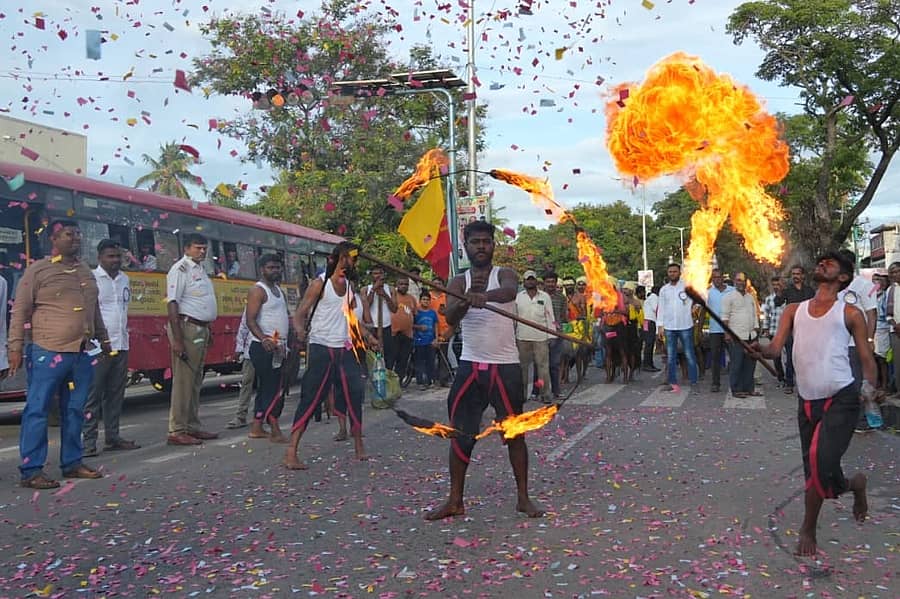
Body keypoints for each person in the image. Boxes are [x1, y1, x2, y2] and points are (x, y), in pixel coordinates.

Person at [753, 251, 879, 556]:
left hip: (842, 399)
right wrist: (759, 349)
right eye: (820, 261)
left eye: (830, 263)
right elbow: (774, 349)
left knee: (819, 464)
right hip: (807, 401)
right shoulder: (794, 310)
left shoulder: (849, 314)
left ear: (843, 278)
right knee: (818, 471)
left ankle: (808, 528)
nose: (821, 263)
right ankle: (854, 485)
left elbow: (865, 358)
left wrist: (869, 389)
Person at [425, 221, 544, 521]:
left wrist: (484, 297)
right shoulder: (458, 281)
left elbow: (508, 292)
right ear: (465, 246)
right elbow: (451, 315)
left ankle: (523, 498)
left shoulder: (503, 274)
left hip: (505, 367)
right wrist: (466, 302)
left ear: (493, 245)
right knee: (460, 434)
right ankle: (455, 500)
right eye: (475, 242)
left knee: (514, 433)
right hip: (470, 366)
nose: (481, 246)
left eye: (486, 241)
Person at [8, 220, 109, 489]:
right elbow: (19, 311)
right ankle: (31, 470)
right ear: (54, 239)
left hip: (81, 352)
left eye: (78, 234)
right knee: (38, 410)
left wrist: (104, 337)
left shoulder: (85, 271)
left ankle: (72, 463)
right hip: (46, 351)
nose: (75, 238)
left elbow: (93, 309)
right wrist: (15, 347)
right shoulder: (38, 271)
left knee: (76, 410)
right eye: (69, 234)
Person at [284, 242, 377, 469]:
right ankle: (291, 453)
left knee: (355, 397)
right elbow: (299, 314)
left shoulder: (350, 288)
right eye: (344, 258)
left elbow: (352, 320)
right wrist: (299, 330)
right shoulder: (319, 284)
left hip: (345, 349)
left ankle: (358, 446)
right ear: (335, 260)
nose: (348, 263)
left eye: (352, 259)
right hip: (321, 348)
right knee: (310, 399)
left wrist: (367, 336)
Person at [83, 239, 140, 456]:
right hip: (98, 347)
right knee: (93, 396)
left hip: (121, 343)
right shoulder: (92, 279)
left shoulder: (125, 279)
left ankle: (113, 437)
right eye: (110, 256)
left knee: (115, 394)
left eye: (118, 256)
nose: (115, 260)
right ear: (100, 258)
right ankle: (88, 443)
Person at [165, 233, 219, 446]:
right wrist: (178, 340)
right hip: (186, 328)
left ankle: (192, 426)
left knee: (196, 381)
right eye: (198, 248)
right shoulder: (180, 269)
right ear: (186, 249)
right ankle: (177, 429)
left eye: (204, 248)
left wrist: (209, 329)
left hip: (201, 328)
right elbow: (172, 304)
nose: (202, 252)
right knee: (183, 382)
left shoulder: (201, 270)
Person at [245, 254, 290, 443]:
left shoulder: (279, 290)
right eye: (271, 268)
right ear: (262, 269)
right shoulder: (258, 290)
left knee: (268, 388)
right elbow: (251, 320)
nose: (275, 271)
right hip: (264, 348)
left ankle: (257, 425)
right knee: (273, 389)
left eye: (278, 267)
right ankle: (275, 429)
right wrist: (264, 339)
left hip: (279, 347)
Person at [836, 250, 879, 433]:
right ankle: (847, 418)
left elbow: (872, 313)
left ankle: (861, 420)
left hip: (857, 344)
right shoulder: (836, 285)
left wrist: (869, 339)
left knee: (858, 383)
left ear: (852, 265)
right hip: (839, 344)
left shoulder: (864, 285)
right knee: (842, 382)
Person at [657, 263, 699, 393]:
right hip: (670, 327)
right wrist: (660, 326)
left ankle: (693, 380)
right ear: (667, 273)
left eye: (674, 271)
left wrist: (696, 307)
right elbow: (661, 308)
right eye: (670, 272)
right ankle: (672, 382)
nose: (672, 274)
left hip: (685, 325)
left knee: (689, 354)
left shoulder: (687, 286)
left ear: (679, 273)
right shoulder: (664, 290)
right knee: (671, 356)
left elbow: (700, 297)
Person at [515, 270, 555, 403]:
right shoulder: (518, 297)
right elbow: (514, 318)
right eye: (528, 279)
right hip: (522, 337)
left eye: (532, 279)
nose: (530, 281)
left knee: (543, 368)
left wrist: (551, 335)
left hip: (541, 337)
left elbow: (550, 316)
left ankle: (545, 394)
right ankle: (522, 395)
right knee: (522, 369)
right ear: (524, 282)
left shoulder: (544, 297)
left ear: (536, 281)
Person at [721, 272, 759, 398]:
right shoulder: (729, 297)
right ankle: (736, 389)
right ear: (734, 281)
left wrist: (756, 331)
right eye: (738, 280)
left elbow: (754, 315)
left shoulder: (750, 297)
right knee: (737, 364)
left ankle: (749, 388)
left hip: (750, 336)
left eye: (742, 280)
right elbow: (725, 317)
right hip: (735, 336)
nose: (740, 283)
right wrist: (727, 334)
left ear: (746, 282)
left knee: (750, 364)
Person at [781, 264, 815, 395]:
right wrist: (780, 291)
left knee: (807, 356)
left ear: (803, 276)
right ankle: (789, 383)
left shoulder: (809, 291)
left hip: (807, 328)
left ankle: (807, 382)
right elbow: (778, 301)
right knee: (790, 356)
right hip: (791, 328)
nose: (795, 276)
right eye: (793, 274)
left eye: (797, 274)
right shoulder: (788, 290)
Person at [704, 269, 734, 393]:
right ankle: (715, 383)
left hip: (731, 329)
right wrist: (700, 328)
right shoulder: (708, 293)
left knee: (734, 356)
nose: (717, 279)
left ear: (723, 278)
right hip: (715, 330)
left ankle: (735, 382)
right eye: (714, 277)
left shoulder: (732, 291)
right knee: (715, 358)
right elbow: (703, 311)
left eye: (719, 277)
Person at [226, 309, 255, 429]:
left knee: (267, 384)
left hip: (270, 348)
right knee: (247, 383)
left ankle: (263, 414)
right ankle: (241, 416)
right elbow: (244, 326)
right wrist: (239, 349)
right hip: (251, 350)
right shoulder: (253, 300)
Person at [362, 267, 396, 368]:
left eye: (380, 273)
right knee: (372, 355)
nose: (377, 276)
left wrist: (385, 295)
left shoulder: (390, 289)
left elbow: (394, 309)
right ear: (371, 275)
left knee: (389, 355)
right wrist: (373, 290)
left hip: (386, 326)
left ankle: (388, 376)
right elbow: (366, 305)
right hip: (372, 327)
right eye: (375, 273)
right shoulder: (365, 289)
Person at [542, 271, 568, 400]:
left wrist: (557, 325)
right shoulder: (539, 296)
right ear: (544, 283)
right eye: (548, 282)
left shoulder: (561, 298)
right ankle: (537, 391)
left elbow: (563, 316)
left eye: (553, 282)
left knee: (554, 364)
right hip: (541, 334)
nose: (550, 284)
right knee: (540, 365)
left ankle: (556, 391)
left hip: (556, 334)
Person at [761, 275, 786, 386]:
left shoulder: (787, 297)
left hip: (787, 331)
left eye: (778, 284)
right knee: (776, 357)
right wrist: (766, 328)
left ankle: (790, 375)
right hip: (774, 331)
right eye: (774, 285)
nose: (776, 287)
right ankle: (781, 377)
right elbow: (766, 315)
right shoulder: (769, 299)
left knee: (790, 355)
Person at [389, 276, 417, 376]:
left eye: (406, 284)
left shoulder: (411, 298)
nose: (404, 286)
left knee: (403, 359)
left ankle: (399, 381)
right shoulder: (392, 295)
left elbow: (415, 314)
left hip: (408, 334)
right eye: (401, 284)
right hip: (393, 333)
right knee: (392, 358)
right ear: (397, 285)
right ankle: (390, 381)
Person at [413, 291, 439, 389]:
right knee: (420, 362)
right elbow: (411, 325)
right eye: (424, 299)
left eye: (428, 300)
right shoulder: (416, 312)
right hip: (419, 341)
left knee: (430, 361)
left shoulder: (432, 313)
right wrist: (419, 327)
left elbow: (436, 326)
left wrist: (436, 339)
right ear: (420, 301)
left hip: (430, 341)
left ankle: (430, 381)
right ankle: (420, 382)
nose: (426, 301)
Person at [642, 285, 660, 371]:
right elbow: (656, 309)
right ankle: (647, 364)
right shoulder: (654, 297)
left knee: (649, 343)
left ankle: (648, 363)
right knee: (650, 343)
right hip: (650, 322)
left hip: (646, 321)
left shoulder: (649, 298)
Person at [888, 262, 900, 395]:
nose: (896, 274)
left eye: (898, 271)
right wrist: (895, 325)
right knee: (897, 362)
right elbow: (887, 313)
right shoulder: (891, 290)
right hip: (895, 331)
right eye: (893, 272)